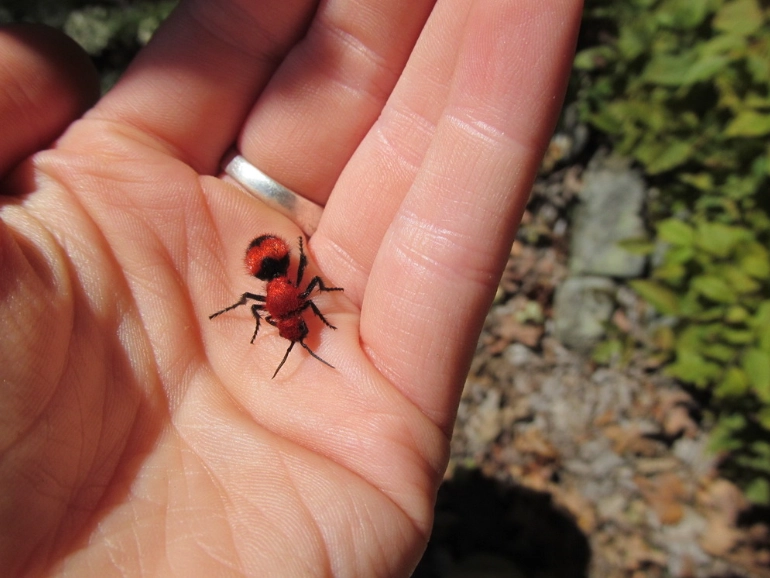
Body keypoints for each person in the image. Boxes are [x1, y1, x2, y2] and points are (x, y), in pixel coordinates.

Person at [0, 1, 582, 575]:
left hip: (270, 259)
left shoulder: (285, 305)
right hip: (271, 259)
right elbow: (294, 299)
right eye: (295, 326)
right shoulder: (286, 304)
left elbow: (295, 299)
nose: (295, 326)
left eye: (291, 327)